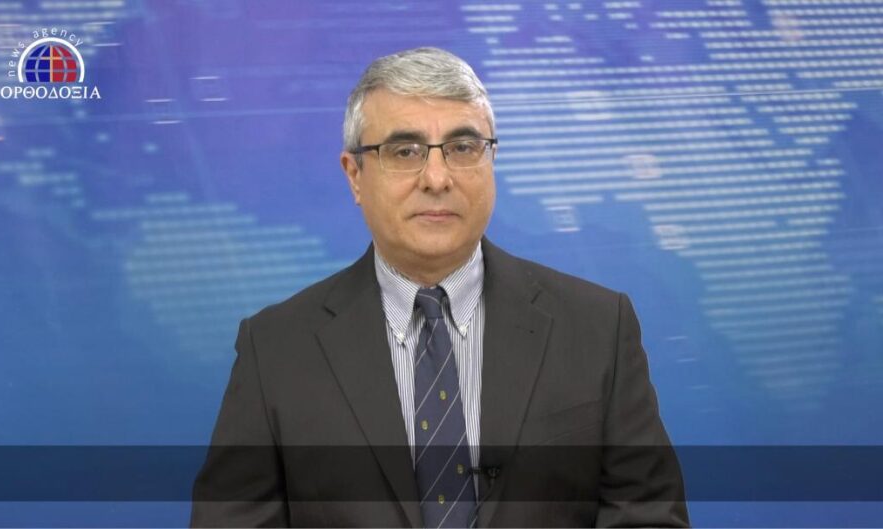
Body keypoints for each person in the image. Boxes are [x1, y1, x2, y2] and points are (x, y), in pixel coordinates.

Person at [191, 47, 689, 528]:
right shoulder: (274, 350)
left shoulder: (599, 328)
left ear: (491, 160)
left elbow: (649, 520)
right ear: (355, 175)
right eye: (404, 151)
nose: (436, 177)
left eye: (463, 148)